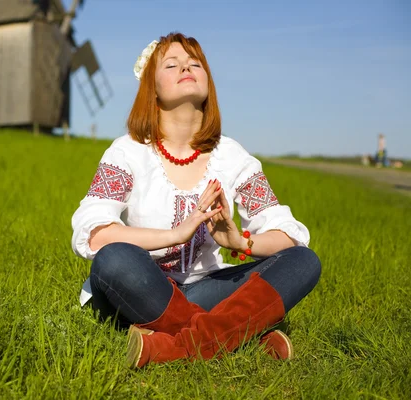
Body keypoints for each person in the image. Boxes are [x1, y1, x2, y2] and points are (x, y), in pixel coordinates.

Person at [70, 32, 321, 369]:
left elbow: (288, 234)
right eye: (171, 64)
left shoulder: (232, 157)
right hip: (140, 284)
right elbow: (93, 232)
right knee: (114, 259)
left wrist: (240, 241)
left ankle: (172, 347)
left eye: (195, 63)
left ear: (208, 81)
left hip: (207, 288)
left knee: (303, 260)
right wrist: (174, 236)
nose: (185, 67)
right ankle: (240, 336)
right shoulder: (128, 151)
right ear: (152, 88)